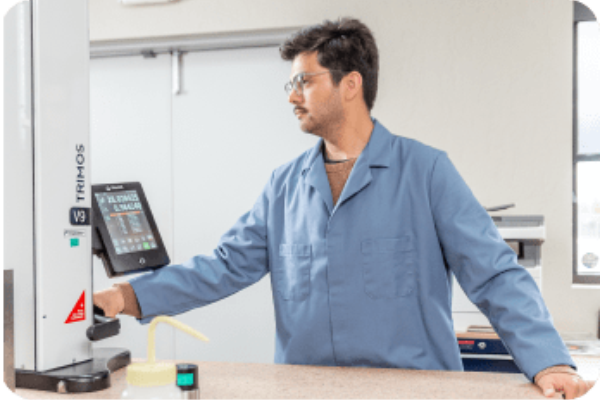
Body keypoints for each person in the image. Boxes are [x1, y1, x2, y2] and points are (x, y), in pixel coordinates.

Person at [94, 17, 596, 400]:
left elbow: (494, 274)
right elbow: (223, 268)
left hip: (412, 391)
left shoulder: (426, 172)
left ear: (350, 85)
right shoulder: (284, 185)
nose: (292, 96)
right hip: (304, 389)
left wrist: (548, 361)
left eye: (304, 81)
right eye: (290, 84)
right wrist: (129, 296)